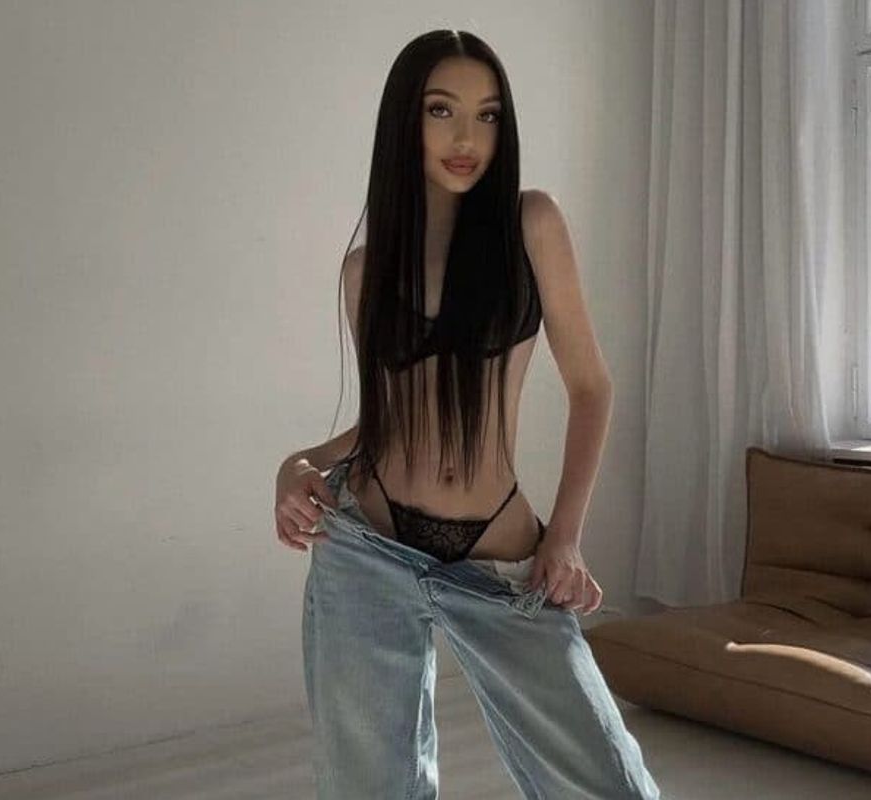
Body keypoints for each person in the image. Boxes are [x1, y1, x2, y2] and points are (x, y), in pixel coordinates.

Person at [274, 29, 662, 800]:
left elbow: (592, 388)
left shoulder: (531, 225)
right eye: (441, 110)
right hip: (366, 545)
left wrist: (566, 536)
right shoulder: (365, 271)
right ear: (405, 122)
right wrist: (299, 464)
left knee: (608, 784)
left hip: (497, 555)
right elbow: (385, 424)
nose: (466, 137)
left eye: (487, 115)